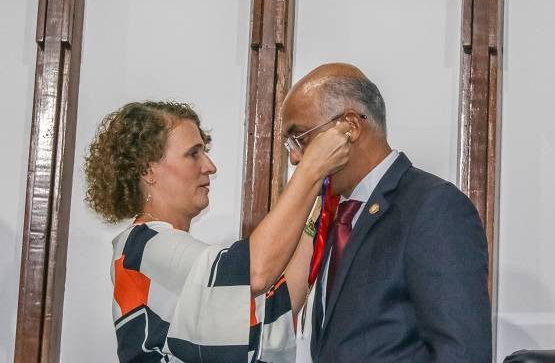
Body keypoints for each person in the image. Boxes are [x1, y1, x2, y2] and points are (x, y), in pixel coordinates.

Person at [84, 101, 351, 363]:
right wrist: (311, 169)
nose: (209, 166)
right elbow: (256, 272)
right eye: (193, 154)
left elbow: (276, 307)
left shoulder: (153, 253)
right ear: (148, 170)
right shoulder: (142, 246)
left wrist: (320, 206)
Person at [281, 63, 492, 363]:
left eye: (301, 138)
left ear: (350, 126)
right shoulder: (335, 216)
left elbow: (462, 353)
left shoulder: (433, 208)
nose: (294, 157)